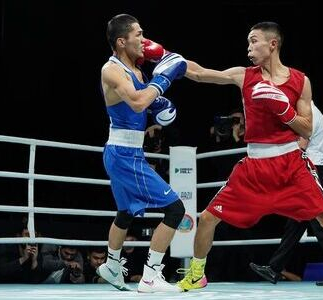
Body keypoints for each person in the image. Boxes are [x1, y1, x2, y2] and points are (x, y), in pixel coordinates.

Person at [141, 21, 323, 293]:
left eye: (254, 41)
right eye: (248, 42)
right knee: (208, 218)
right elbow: (202, 74)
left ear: (272, 44)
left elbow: (307, 128)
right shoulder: (244, 75)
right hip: (253, 167)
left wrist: (283, 109)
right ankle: (196, 275)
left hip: (291, 165)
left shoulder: (300, 80)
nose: (249, 48)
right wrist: (166, 55)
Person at [96, 13, 187, 293]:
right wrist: (160, 83)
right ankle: (151, 276)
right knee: (175, 209)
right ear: (121, 41)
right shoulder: (111, 70)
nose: (144, 39)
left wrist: (158, 103)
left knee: (125, 213)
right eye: (138, 34)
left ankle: (111, 265)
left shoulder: (137, 68)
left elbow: (144, 104)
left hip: (128, 150)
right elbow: (136, 103)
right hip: (123, 153)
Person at [249, 101, 323, 286]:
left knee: (322, 225)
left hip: (311, 171)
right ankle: (274, 268)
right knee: (295, 224)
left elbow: (300, 145)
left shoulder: (306, 113)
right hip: (310, 171)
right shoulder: (308, 110)